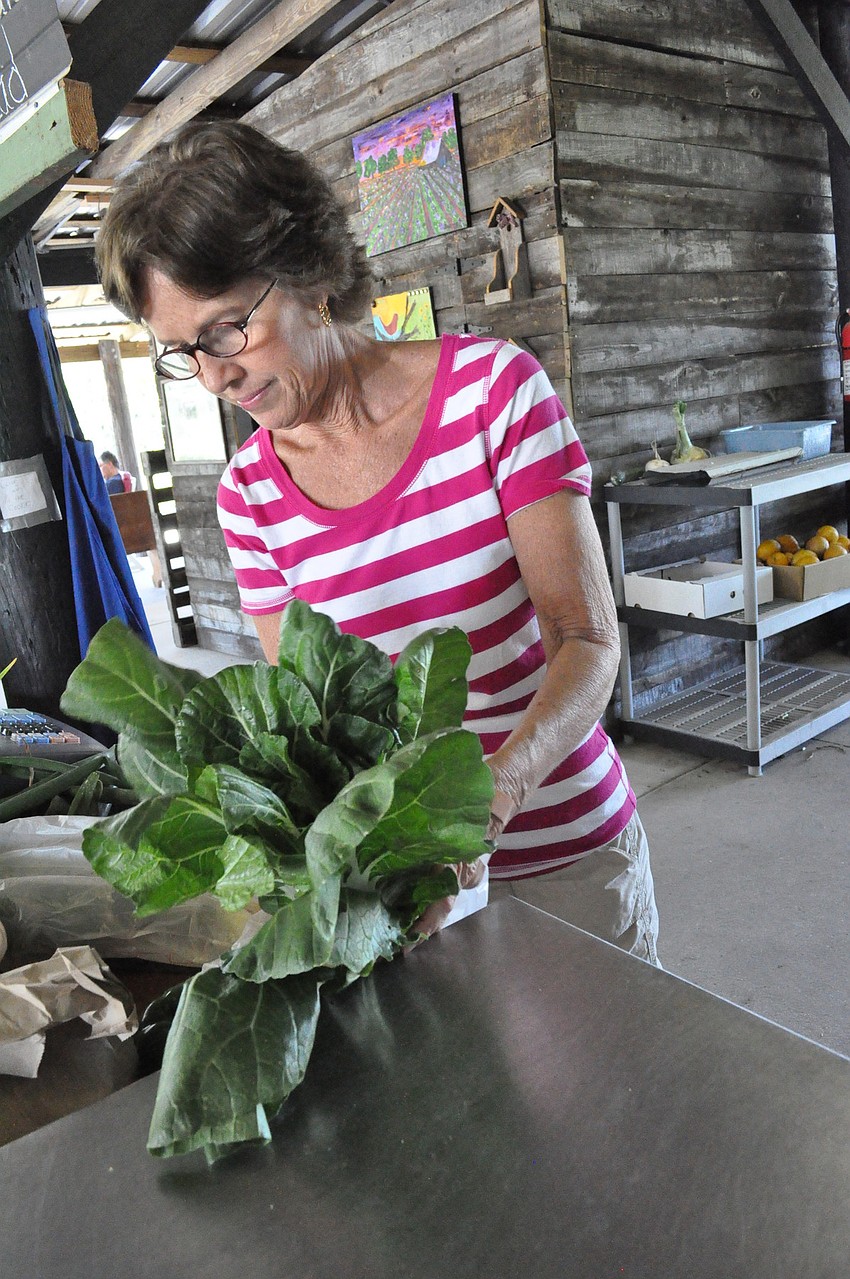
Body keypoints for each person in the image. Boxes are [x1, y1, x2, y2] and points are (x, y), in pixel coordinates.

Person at [94, 121, 659, 964]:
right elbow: (312, 721)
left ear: (309, 277)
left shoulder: (494, 394)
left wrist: (492, 793)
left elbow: (587, 640)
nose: (215, 375)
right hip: (405, 899)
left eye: (224, 331)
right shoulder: (248, 495)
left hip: (563, 855)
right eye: (182, 352)